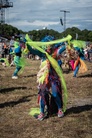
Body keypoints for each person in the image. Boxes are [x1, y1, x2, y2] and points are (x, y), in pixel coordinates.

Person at [25, 34, 71, 121]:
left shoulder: (56, 52)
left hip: (54, 77)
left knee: (55, 93)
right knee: (43, 93)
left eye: (50, 45)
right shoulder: (42, 53)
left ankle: (59, 109)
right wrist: (27, 43)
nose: (48, 47)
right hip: (44, 77)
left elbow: (65, 47)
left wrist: (68, 41)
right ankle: (42, 112)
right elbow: (31, 50)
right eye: (46, 45)